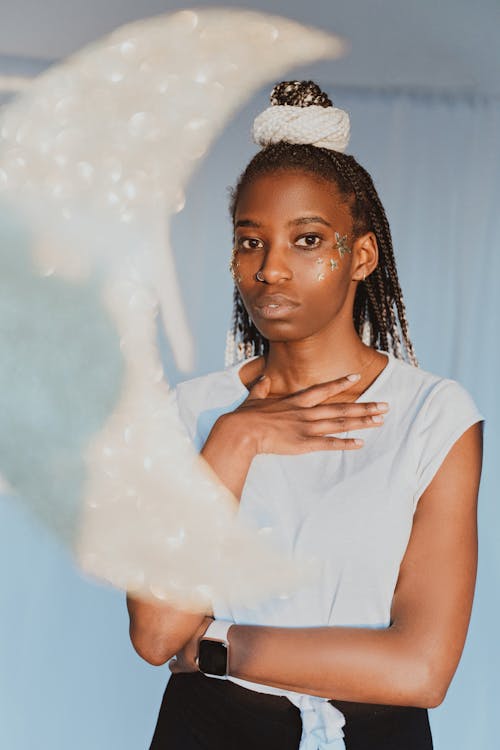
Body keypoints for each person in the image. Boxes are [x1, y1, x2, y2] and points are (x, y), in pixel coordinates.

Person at [126, 81, 484, 750]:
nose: (271, 270)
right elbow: (154, 633)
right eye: (251, 242)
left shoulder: (433, 416)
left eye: (308, 239)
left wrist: (218, 647)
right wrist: (235, 439)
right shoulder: (193, 412)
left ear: (362, 256)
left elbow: (422, 669)